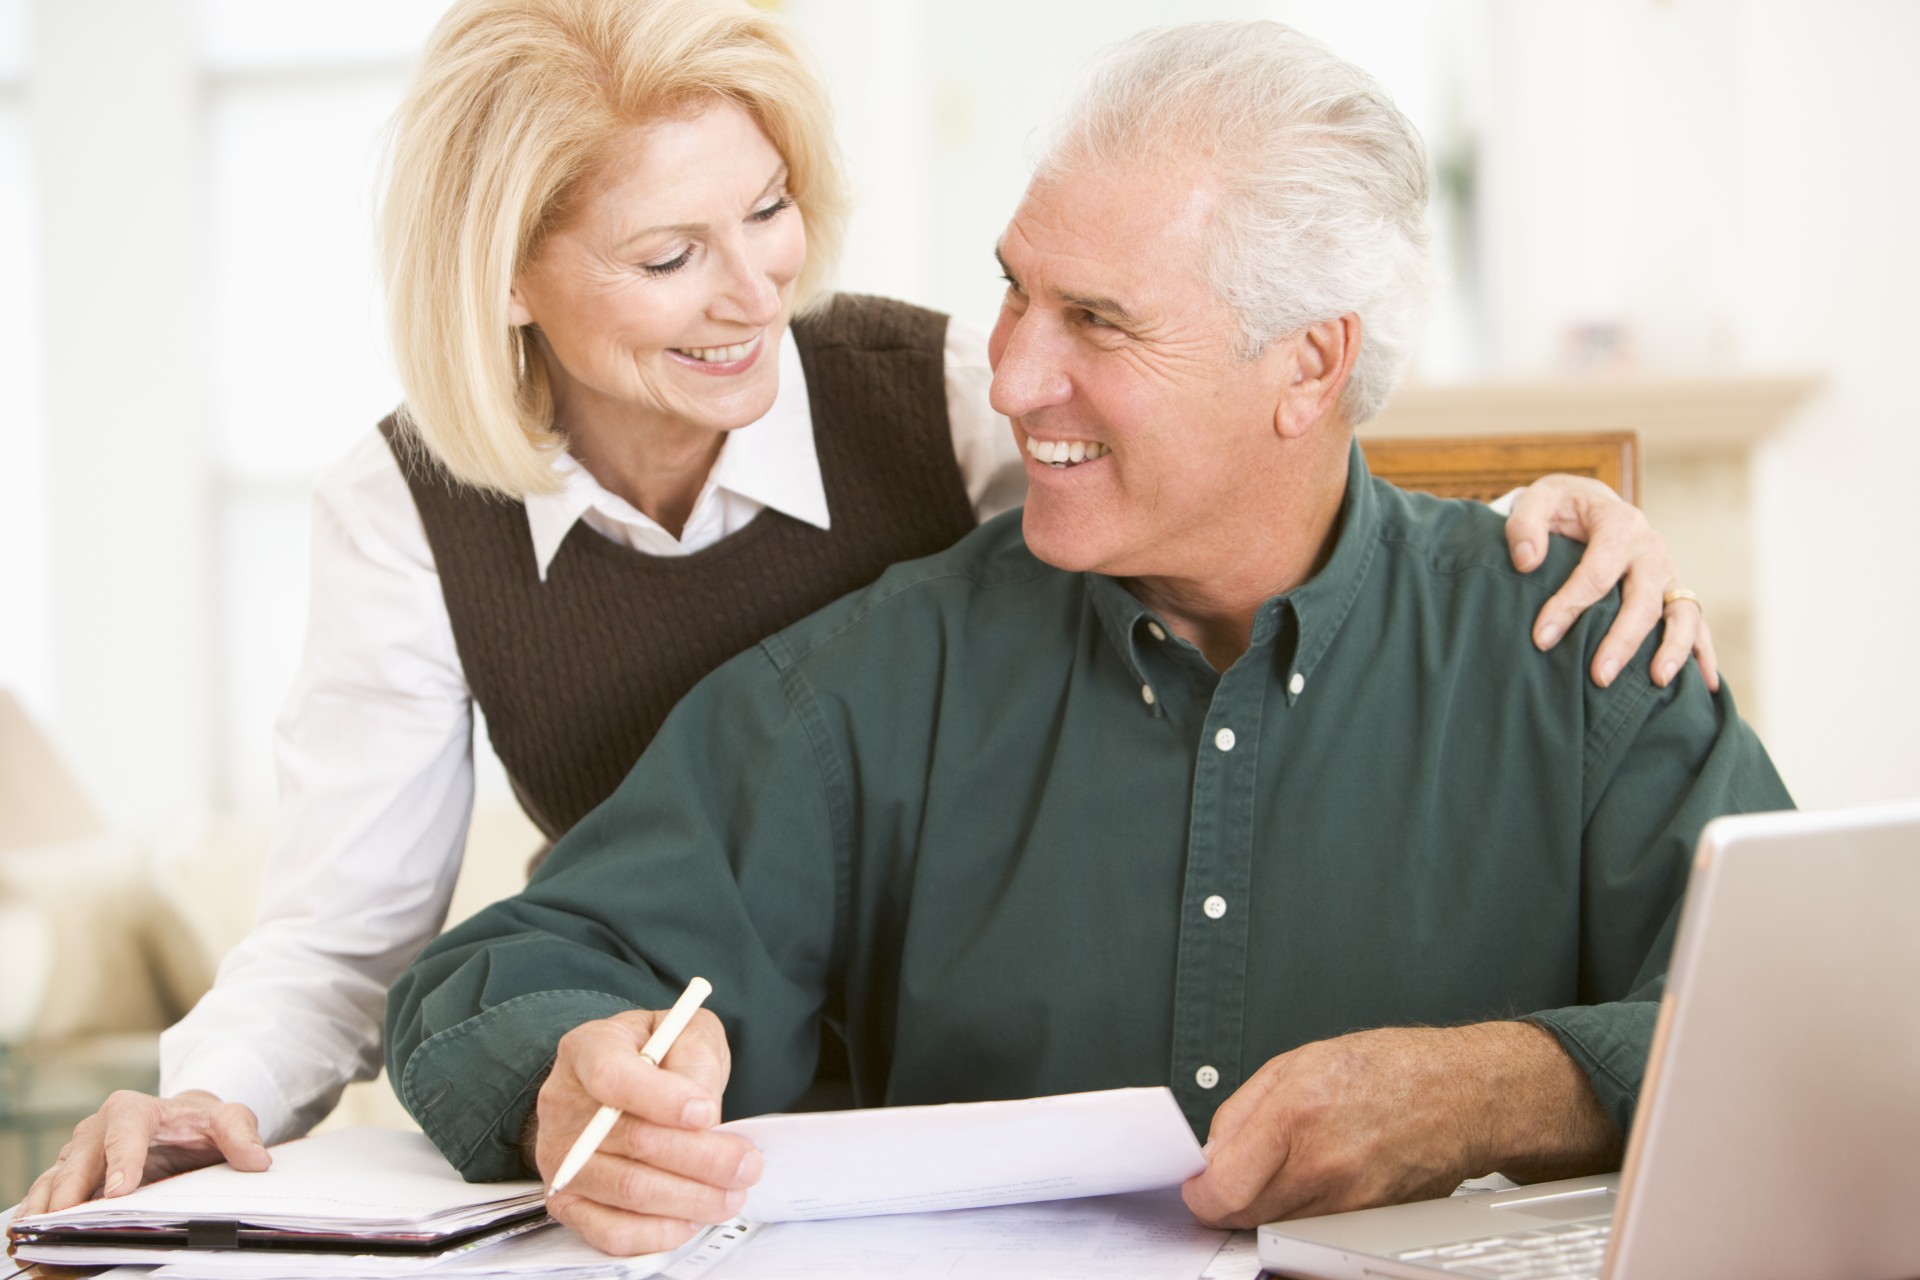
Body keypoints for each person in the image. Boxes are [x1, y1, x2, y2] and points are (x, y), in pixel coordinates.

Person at [25, 1, 1707, 1216]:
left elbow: (1256, 467)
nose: (757, 291)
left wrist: (1517, 530)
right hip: (759, 1145)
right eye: (669, 253)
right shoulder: (814, 646)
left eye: (768, 216)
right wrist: (221, 1104)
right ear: (514, 278)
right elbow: (372, 941)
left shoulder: (953, 399)